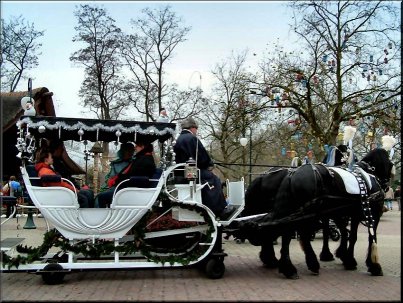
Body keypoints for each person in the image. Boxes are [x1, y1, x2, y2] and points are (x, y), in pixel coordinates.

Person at [173, 117, 235, 219]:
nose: (196, 131)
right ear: (193, 127)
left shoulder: (178, 139)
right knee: (214, 179)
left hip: (181, 173)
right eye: (196, 129)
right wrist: (209, 164)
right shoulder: (192, 138)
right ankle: (220, 210)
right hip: (192, 173)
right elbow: (203, 158)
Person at [96, 140, 156, 208]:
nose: (135, 147)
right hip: (128, 187)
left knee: (101, 197)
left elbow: (133, 176)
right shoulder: (142, 158)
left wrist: (117, 180)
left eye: (136, 146)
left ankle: (104, 216)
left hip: (130, 190)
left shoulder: (144, 160)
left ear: (142, 147)